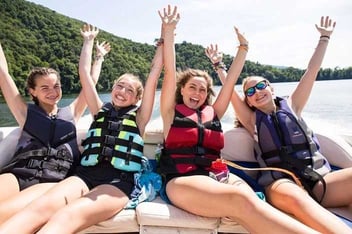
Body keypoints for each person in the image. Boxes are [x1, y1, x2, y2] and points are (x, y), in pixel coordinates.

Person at [158, 4, 323, 234]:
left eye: (203, 90)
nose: (197, 93)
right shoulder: (169, 112)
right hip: (183, 181)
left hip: (217, 177)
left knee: (250, 199)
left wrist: (243, 48)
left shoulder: (213, 113)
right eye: (192, 88)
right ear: (182, 90)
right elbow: (169, 72)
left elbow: (230, 81)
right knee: (240, 199)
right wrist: (168, 32)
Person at [0, 21, 163, 233]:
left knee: (65, 216)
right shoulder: (99, 110)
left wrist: (163, 41)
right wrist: (88, 42)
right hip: (83, 175)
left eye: (130, 90)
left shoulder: (140, 117)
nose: (122, 91)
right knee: (38, 209)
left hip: (116, 181)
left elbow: (153, 77)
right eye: (119, 85)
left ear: (138, 98)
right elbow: (85, 74)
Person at [207, 16, 352, 233]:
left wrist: (324, 38)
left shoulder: (293, 105)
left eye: (261, 86)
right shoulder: (251, 120)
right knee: (297, 199)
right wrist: (218, 65)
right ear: (248, 101)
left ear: (272, 88)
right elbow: (229, 90)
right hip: (282, 185)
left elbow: (311, 72)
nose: (257, 92)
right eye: (250, 91)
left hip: (320, 180)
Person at [0, 25, 110, 224]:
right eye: (45, 87)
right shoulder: (24, 113)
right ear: (32, 91)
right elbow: (2, 73)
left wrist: (96, 52)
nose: (53, 91)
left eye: (56, 86)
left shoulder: (72, 112)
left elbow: (90, 81)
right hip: (18, 173)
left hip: (52, 180)